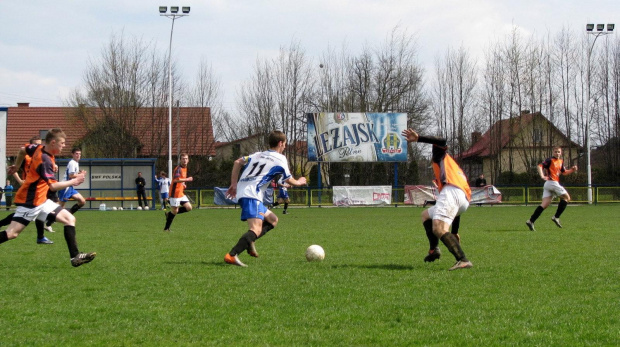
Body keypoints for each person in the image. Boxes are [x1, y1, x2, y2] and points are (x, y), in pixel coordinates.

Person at [1, 128, 96, 267]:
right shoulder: (44, 160)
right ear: (53, 142)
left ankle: (75, 257)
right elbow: (53, 186)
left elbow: (22, 150)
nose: (64, 146)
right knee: (12, 233)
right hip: (31, 201)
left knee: (69, 219)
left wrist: (17, 166)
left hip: (41, 199)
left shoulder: (38, 147)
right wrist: (74, 181)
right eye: (62, 143)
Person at [224, 130, 307, 267]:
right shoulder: (280, 159)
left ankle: (250, 241)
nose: (285, 147)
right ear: (280, 143)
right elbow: (289, 179)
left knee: (273, 220)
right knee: (256, 229)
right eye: (285, 144)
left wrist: (234, 184)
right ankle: (232, 255)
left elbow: (238, 162)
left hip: (244, 192)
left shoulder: (258, 154)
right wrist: (300, 181)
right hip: (252, 194)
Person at [402, 128, 472, 271]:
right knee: (426, 215)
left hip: (452, 192)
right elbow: (456, 207)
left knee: (438, 228)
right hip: (463, 199)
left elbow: (441, 140)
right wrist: (454, 231)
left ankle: (463, 259)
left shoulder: (440, 156)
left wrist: (419, 138)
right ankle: (434, 250)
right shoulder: (452, 167)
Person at [526, 146, 577, 231]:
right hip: (552, 182)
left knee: (544, 205)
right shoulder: (550, 160)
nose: (557, 153)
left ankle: (531, 221)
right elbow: (539, 166)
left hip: (549, 184)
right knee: (567, 198)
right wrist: (542, 176)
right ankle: (556, 217)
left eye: (558, 152)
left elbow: (564, 172)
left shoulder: (560, 161)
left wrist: (572, 170)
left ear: (561, 153)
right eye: (556, 152)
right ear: (553, 152)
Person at [163, 153, 193, 231]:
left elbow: (180, 179)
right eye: (183, 159)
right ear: (180, 160)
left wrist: (183, 184)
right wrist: (187, 180)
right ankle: (166, 229)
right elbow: (175, 180)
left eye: (186, 159)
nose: (185, 160)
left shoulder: (185, 168)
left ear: (188, 160)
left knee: (189, 207)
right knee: (175, 211)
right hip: (175, 193)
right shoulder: (178, 169)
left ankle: (169, 214)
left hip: (181, 193)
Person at [58, 147, 86, 214]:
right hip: (66, 186)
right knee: (60, 206)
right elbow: (71, 175)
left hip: (70, 187)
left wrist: (80, 173)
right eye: (76, 154)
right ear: (72, 154)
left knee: (82, 201)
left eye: (79, 154)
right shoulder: (72, 163)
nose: (78, 155)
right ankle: (49, 221)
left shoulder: (76, 163)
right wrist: (80, 175)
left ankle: (69, 214)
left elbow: (73, 174)